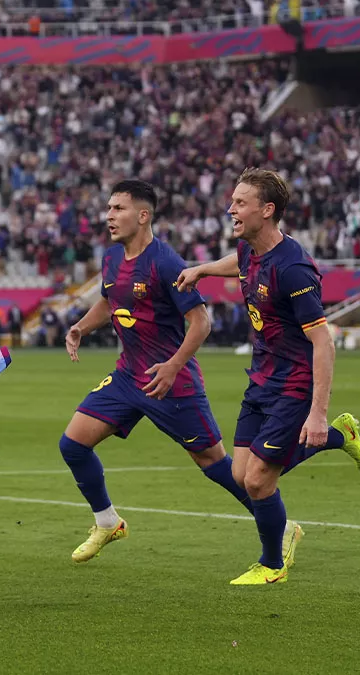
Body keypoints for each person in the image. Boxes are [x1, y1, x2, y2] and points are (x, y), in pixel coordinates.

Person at [176, 168, 360, 585]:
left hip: (294, 383)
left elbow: (324, 343)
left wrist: (317, 414)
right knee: (240, 475)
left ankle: (272, 565)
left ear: (266, 210)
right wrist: (203, 270)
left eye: (240, 203)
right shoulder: (250, 250)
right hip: (262, 376)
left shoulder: (294, 268)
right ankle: (340, 437)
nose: (230, 209)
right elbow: (240, 264)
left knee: (259, 481)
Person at [58, 180, 263, 565]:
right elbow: (109, 301)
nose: (109, 216)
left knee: (215, 464)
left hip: (170, 382)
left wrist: (173, 366)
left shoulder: (165, 262)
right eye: (109, 208)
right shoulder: (111, 258)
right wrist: (81, 328)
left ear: (143, 215)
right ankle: (108, 522)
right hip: (127, 376)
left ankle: (278, 526)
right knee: (73, 444)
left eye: (118, 208)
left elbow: (201, 322)